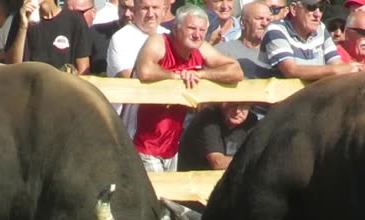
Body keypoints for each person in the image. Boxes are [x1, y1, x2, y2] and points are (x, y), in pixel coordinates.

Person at [131, 4, 241, 170]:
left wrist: (202, 74)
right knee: (159, 195)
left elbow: (236, 71)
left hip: (172, 145)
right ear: (176, 28)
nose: (197, 35)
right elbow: (145, 70)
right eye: (191, 28)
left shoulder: (200, 48)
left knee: (172, 194)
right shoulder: (159, 41)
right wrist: (177, 76)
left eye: (202, 30)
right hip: (144, 143)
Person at [257, 0, 355, 80]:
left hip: (308, 99)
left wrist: (356, 68)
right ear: (294, 9)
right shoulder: (276, 30)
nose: (318, 14)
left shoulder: (321, 28)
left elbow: (336, 63)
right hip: (276, 101)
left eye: (321, 8)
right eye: (311, 7)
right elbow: (291, 70)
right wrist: (334, 70)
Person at [6, 0, 93, 71]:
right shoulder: (21, 19)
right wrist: (23, 27)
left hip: (62, 88)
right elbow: (12, 68)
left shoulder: (74, 20)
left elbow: (83, 69)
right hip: (31, 88)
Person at [177, 102, 259, 171]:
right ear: (222, 103)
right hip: (197, 185)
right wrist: (252, 161)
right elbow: (217, 163)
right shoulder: (208, 117)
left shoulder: (251, 121)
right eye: (232, 104)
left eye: (243, 105)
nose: (237, 111)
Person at [107, 0, 166, 78]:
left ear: (163, 11)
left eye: (155, 8)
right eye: (145, 8)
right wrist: (173, 74)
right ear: (134, 11)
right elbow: (126, 77)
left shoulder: (169, 35)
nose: (150, 14)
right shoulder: (121, 38)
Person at [216, 0, 271, 77]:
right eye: (258, 18)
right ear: (242, 23)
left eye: (268, 20)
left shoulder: (273, 52)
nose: (264, 23)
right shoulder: (223, 51)